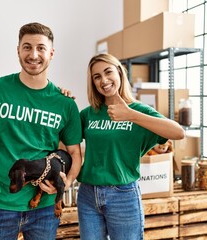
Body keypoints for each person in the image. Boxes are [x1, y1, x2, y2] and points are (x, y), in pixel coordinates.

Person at [0, 22, 82, 240]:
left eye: (41, 48)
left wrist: (67, 182)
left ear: (51, 53)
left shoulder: (65, 104)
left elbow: (75, 153)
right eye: (27, 47)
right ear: (18, 50)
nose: (33, 54)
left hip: (44, 208)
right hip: (0, 206)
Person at [77, 53, 185, 240]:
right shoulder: (88, 114)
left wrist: (130, 114)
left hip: (122, 195)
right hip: (88, 194)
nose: (104, 80)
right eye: (97, 77)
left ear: (119, 72)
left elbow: (178, 132)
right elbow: (66, 143)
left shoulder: (140, 111)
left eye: (108, 72)